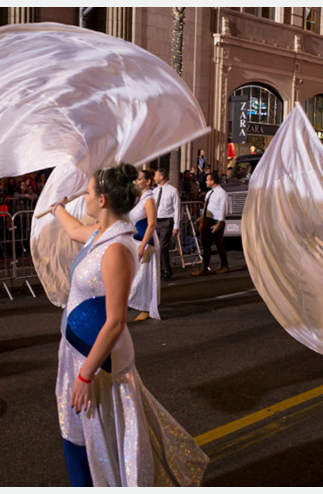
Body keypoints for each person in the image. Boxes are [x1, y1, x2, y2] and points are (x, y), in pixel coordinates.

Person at [50, 164, 208, 486]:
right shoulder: (100, 234)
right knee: (79, 435)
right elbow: (72, 230)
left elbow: (116, 321)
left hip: (99, 365)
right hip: (79, 353)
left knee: (104, 442)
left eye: (89, 192)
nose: (86, 197)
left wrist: (85, 374)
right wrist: (56, 208)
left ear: (103, 200)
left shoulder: (117, 250)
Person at [127, 169, 160, 321]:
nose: (136, 181)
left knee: (145, 276)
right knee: (132, 275)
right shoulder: (136, 198)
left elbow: (152, 224)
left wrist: (142, 246)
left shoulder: (149, 199)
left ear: (148, 181)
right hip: (133, 240)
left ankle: (146, 307)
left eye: (139, 179)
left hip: (146, 243)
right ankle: (132, 301)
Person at [193, 172, 229, 276]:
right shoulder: (209, 193)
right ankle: (204, 268)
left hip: (217, 221)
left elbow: (223, 209)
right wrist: (202, 218)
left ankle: (224, 266)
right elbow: (207, 207)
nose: (206, 182)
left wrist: (219, 223)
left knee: (219, 245)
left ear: (212, 181)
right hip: (207, 220)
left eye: (207, 180)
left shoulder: (222, 193)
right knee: (206, 245)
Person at [153, 169, 181, 281]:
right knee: (156, 246)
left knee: (162, 246)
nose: (154, 178)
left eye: (156, 176)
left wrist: (176, 226)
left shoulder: (172, 191)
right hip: (156, 221)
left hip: (166, 221)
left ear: (162, 177)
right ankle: (160, 270)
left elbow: (177, 209)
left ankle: (166, 271)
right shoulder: (154, 191)